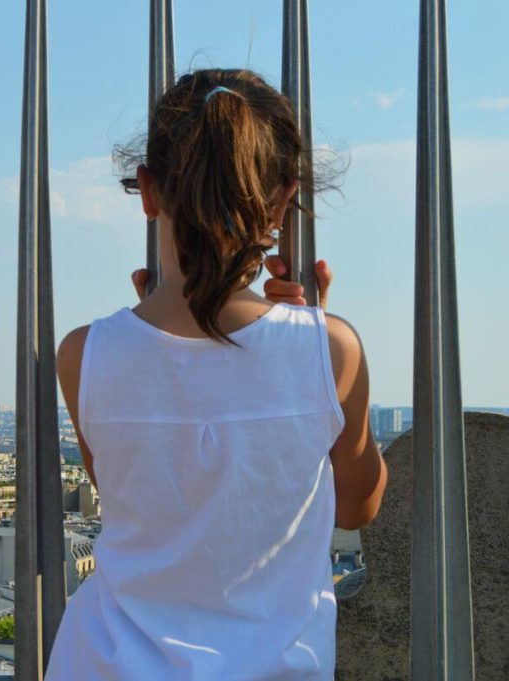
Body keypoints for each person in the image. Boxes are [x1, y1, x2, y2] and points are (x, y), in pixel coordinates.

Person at [47, 69, 388, 680]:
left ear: (148, 192)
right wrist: (308, 341)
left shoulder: (83, 356)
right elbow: (359, 505)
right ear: (283, 200)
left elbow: (129, 496)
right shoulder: (331, 351)